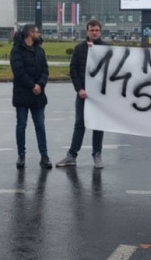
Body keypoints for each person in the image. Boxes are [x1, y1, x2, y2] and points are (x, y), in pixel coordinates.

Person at [56, 19, 105, 169]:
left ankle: (97, 154)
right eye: (92, 30)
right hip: (83, 94)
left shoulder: (107, 49)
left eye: (97, 30)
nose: (94, 32)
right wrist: (79, 89)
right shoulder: (79, 49)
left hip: (100, 95)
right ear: (87, 31)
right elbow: (74, 70)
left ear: (100, 31)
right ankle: (72, 155)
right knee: (80, 124)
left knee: (98, 125)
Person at [10, 24, 51, 169]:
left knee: (40, 125)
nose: (38, 34)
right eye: (36, 32)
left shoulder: (40, 50)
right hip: (22, 94)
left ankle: (44, 155)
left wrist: (40, 84)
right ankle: (21, 155)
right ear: (29, 34)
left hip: (38, 96)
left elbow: (45, 70)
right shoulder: (16, 50)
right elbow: (18, 72)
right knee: (21, 125)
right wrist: (32, 86)